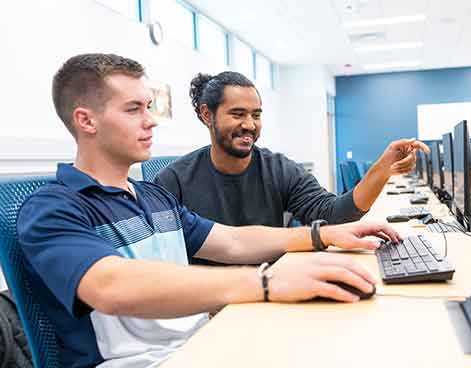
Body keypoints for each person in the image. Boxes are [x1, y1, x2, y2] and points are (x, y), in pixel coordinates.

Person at [17, 53, 401, 368]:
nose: (150, 120)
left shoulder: (154, 197)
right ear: (86, 120)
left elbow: (232, 241)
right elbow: (111, 286)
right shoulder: (53, 208)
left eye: (148, 107)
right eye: (134, 109)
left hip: (203, 345)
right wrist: (266, 283)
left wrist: (322, 235)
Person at [154, 71, 429, 231]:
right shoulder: (173, 181)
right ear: (207, 115)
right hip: (209, 303)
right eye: (238, 114)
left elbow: (333, 214)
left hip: (275, 286)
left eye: (256, 115)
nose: (249, 125)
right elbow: (166, 261)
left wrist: (382, 169)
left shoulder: (278, 169)